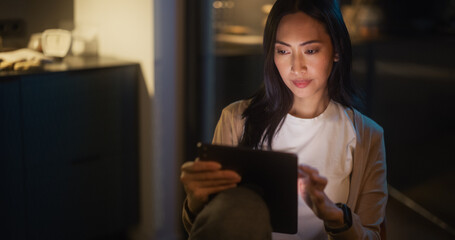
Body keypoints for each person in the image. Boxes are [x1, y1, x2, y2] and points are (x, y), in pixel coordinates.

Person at [180, 0, 388, 239]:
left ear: (337, 49)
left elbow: (373, 234)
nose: (296, 67)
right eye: (283, 51)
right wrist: (195, 201)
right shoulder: (236, 120)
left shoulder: (366, 136)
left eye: (310, 50)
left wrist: (334, 216)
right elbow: (207, 228)